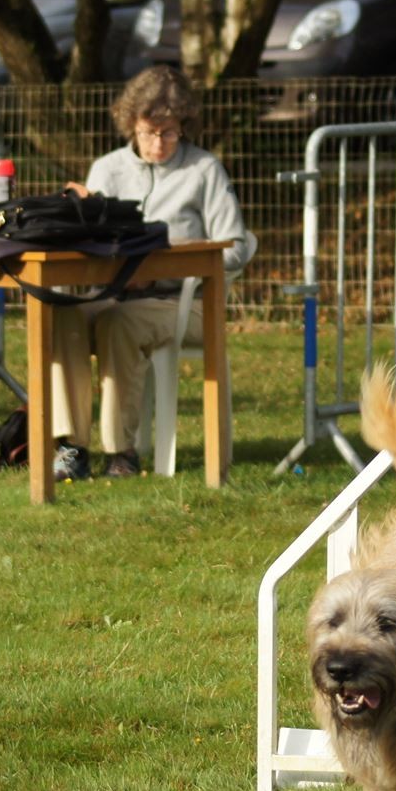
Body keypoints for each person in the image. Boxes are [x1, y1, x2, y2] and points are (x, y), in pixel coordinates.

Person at [50, 66, 257, 480]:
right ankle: (72, 447)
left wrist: (170, 264)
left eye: (169, 132)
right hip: (112, 292)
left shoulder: (204, 170)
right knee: (60, 316)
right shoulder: (106, 169)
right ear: (131, 125)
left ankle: (121, 453)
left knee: (118, 323)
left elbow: (235, 247)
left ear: (184, 126)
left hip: (187, 302)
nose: (158, 143)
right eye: (148, 132)